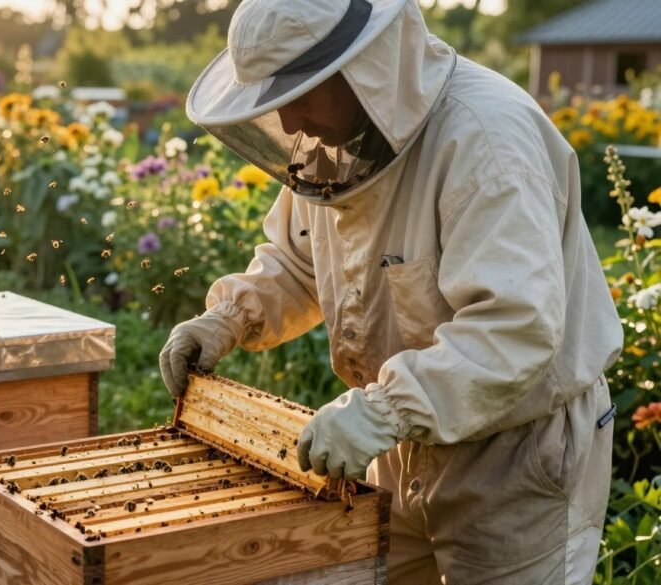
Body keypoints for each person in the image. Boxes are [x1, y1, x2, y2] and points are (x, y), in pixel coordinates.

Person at [158, 0, 623, 582]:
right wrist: (228, 318)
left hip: (517, 454)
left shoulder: (486, 141)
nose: (293, 123)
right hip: (401, 442)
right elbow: (301, 262)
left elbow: (515, 330)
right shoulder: (340, 144)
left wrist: (382, 411)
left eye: (300, 94)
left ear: (363, 68)